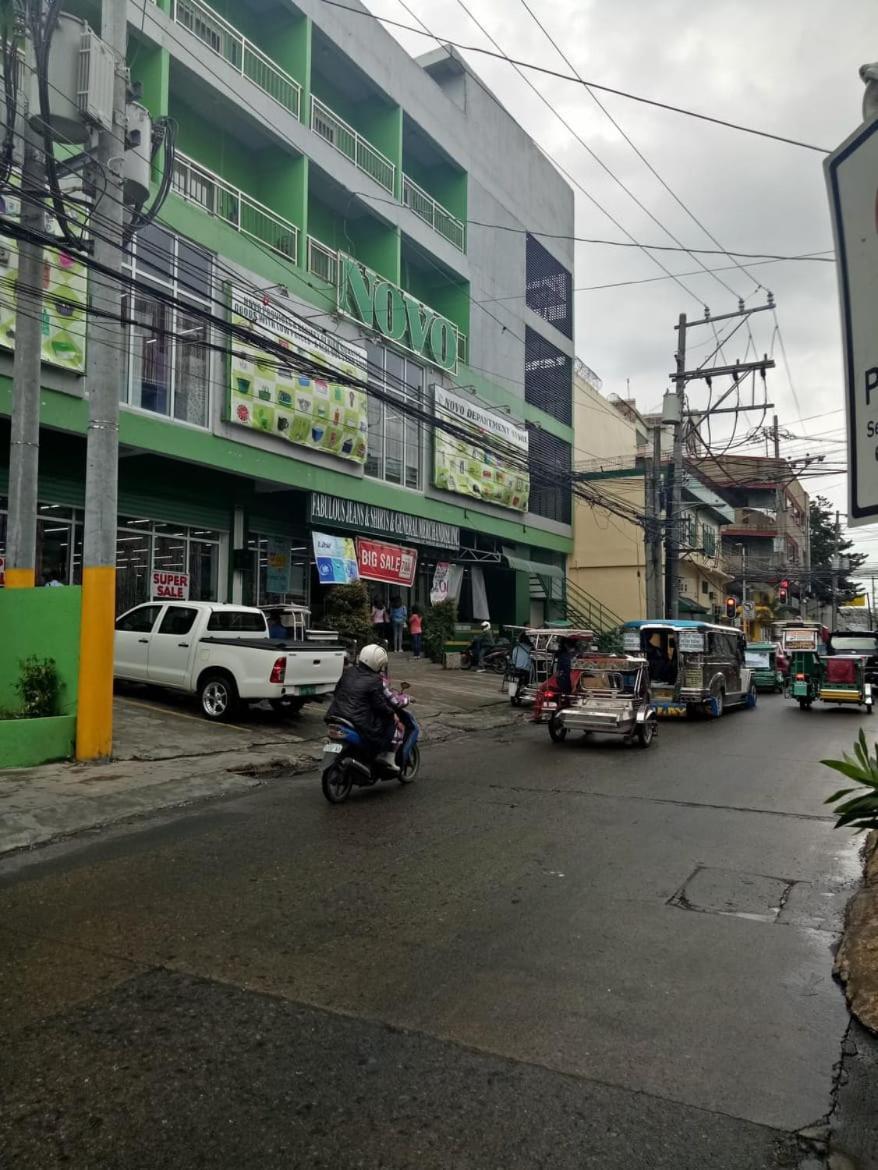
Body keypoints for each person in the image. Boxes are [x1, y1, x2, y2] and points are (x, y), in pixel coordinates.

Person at [327, 643, 401, 773]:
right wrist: (392, 713)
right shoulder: (375, 680)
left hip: (336, 713)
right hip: (357, 719)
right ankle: (385, 756)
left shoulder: (348, 672)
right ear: (377, 663)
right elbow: (379, 704)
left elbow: (337, 691)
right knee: (390, 722)